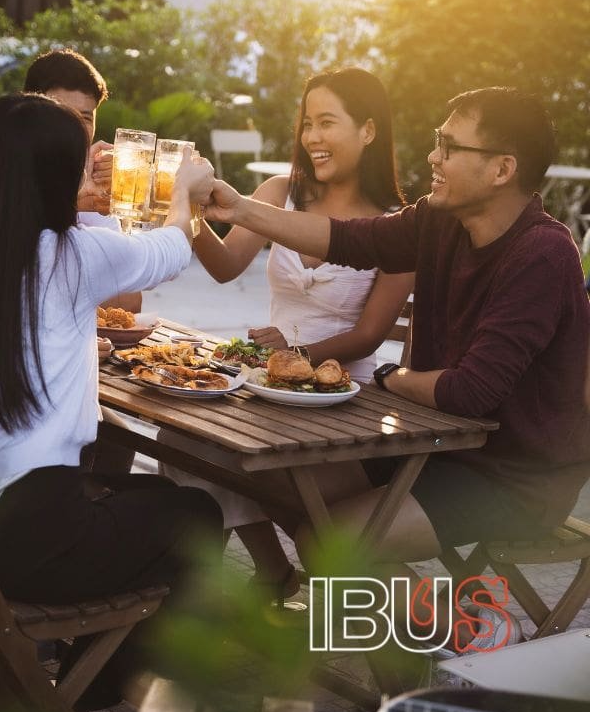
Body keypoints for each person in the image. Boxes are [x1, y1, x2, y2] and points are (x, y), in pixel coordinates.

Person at [200, 86, 590, 650]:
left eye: (449, 146)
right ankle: (423, 620)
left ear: (503, 169)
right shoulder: (441, 221)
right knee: (271, 467)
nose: (433, 157)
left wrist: (387, 378)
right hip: (436, 447)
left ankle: (473, 633)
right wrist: (238, 207)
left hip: (513, 477)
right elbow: (347, 240)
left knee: (326, 542)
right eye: (437, 142)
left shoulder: (542, 254)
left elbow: (470, 392)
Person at [0, 92, 223, 710]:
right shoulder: (71, 255)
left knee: (156, 498)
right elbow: (170, 252)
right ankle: (88, 692)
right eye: (77, 167)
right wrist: (186, 190)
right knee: (198, 518)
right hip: (31, 546)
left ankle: (81, 674)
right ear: (52, 180)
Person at [164, 68, 413, 600]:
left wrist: (295, 353)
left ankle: (319, 586)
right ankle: (263, 573)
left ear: (369, 130)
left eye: (328, 123)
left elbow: (370, 335)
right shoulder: (281, 192)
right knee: (186, 435)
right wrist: (187, 209)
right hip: (267, 382)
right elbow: (226, 266)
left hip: (344, 396)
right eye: (307, 123)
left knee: (224, 443)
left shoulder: (396, 224)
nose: (312, 137)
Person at [0, 47, 141, 313]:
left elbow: (129, 296)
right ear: (29, 109)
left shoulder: (92, 172)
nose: (74, 129)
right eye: (63, 115)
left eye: (85, 118)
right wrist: (73, 201)